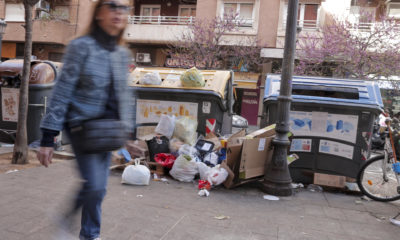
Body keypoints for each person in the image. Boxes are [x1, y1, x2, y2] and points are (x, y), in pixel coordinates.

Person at [36, 1, 133, 239]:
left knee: (98, 189)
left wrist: (130, 134)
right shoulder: (81, 47)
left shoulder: (122, 53)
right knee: (95, 185)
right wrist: (48, 137)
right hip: (82, 127)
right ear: (99, 13)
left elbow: (124, 96)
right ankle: (79, 227)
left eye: (124, 8)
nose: (119, 12)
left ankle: (90, 234)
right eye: (112, 6)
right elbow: (62, 92)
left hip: (109, 130)